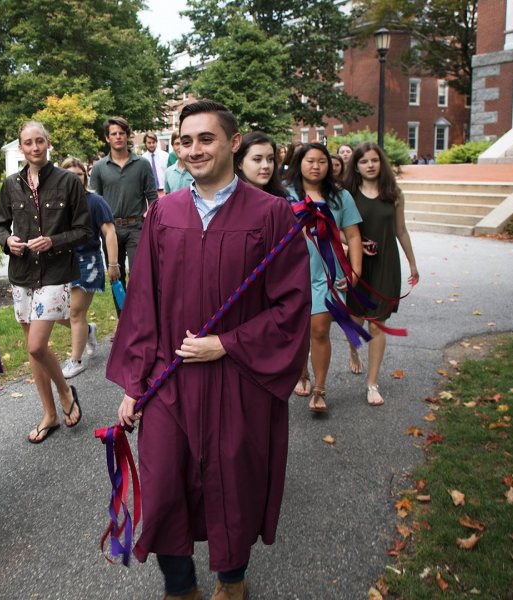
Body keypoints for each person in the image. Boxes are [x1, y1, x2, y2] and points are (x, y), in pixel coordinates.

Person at [108, 100, 310, 600]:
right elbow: (142, 305)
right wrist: (135, 383)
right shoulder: (165, 214)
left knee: (233, 485)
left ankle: (232, 581)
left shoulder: (272, 215)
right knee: (162, 486)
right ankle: (180, 586)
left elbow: (292, 306)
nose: (194, 149)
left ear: (233, 143)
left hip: (238, 379)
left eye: (206, 138)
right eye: (185, 140)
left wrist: (227, 343)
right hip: (168, 380)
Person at [0, 121, 91, 443]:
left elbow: (84, 231)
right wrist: (8, 241)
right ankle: (49, 415)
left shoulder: (68, 182)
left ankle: (65, 391)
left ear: (48, 143)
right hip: (21, 273)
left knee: (37, 345)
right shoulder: (10, 185)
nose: (34, 148)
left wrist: (54, 241)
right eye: (28, 143)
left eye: (39, 141)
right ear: (20, 148)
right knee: (34, 351)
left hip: (54, 272)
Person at [285, 143, 363, 412]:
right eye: (310, 161)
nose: (316, 166)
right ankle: (301, 373)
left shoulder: (340, 197)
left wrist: (355, 270)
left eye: (321, 161)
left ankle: (319, 388)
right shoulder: (285, 195)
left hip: (328, 276)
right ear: (299, 163)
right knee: (297, 331)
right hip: (290, 275)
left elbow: (353, 236)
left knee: (319, 330)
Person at [344, 143, 419, 405]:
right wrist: (354, 245)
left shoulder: (394, 194)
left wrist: (412, 263)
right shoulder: (347, 194)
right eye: (364, 162)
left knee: (377, 325)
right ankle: (353, 350)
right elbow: (339, 230)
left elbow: (402, 230)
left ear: (381, 163)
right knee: (354, 323)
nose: (370, 165)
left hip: (386, 265)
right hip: (358, 265)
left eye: (374, 160)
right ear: (356, 166)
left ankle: (372, 384)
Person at [57, 156, 120, 378]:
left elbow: (110, 232)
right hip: (61, 263)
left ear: (85, 176)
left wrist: (113, 264)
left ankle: (76, 360)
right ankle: (88, 330)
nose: (75, 179)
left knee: (75, 312)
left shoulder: (95, 201)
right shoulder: (56, 202)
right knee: (54, 311)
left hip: (88, 262)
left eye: (79, 175)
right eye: (69, 175)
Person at [90, 116, 158, 310]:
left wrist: (152, 224)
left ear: (127, 136)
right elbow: (94, 201)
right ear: (107, 138)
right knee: (116, 277)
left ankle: (142, 320)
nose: (118, 137)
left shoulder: (142, 164)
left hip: (137, 227)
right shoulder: (99, 167)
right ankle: (124, 324)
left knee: (140, 276)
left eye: (122, 133)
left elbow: (152, 197)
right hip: (110, 230)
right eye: (114, 134)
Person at [233, 131, 287, 198]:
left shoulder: (283, 200)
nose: (266, 166)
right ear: (239, 163)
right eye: (257, 159)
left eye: (270, 159)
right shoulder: (227, 200)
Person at [141, 132, 170, 196]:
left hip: (165, 191)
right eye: (149, 143)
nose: (151, 145)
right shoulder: (142, 159)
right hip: (150, 192)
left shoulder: (165, 156)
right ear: (145, 143)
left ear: (156, 142)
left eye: (153, 142)